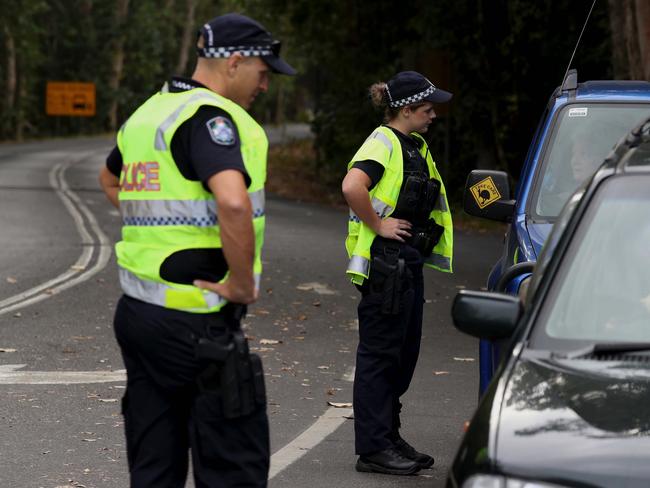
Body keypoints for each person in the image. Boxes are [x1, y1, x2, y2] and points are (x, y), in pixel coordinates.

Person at [98, 13, 295, 488]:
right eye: (263, 73)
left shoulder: (148, 113)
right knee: (234, 470)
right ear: (235, 62)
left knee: (154, 466)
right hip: (198, 322)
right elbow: (231, 200)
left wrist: (161, 229)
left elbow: (110, 179)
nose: (264, 86)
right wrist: (242, 282)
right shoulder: (210, 118)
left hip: (140, 314)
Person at [341, 71, 453, 475]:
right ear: (406, 109)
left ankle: (387, 436)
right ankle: (372, 449)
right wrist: (377, 224)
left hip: (405, 262)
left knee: (401, 356)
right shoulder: (383, 142)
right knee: (379, 356)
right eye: (427, 108)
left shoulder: (412, 144)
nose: (433, 115)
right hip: (385, 264)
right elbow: (353, 186)